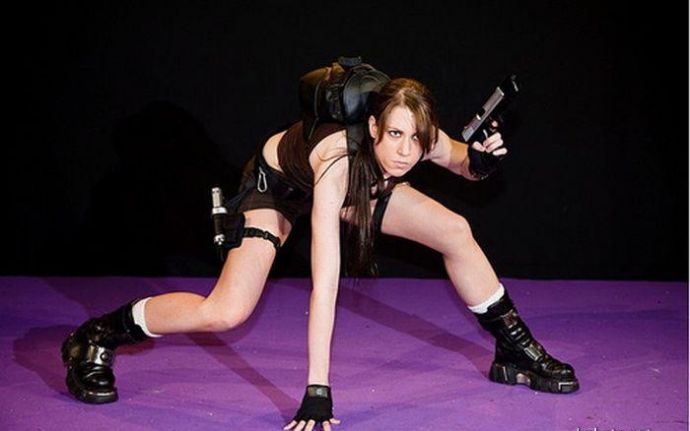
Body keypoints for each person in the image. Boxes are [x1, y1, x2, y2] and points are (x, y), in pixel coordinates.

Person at [61, 76, 578, 431]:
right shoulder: (336, 160)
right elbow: (325, 282)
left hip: (359, 185)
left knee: (455, 229)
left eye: (415, 140)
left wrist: (481, 161)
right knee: (225, 311)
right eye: (394, 135)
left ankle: (513, 350)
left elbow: (460, 160)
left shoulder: (416, 136)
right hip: (280, 189)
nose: (405, 151)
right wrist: (317, 390)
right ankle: (97, 336)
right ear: (373, 127)